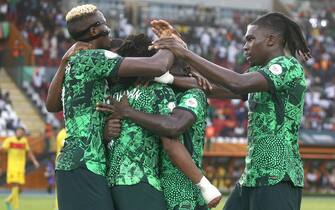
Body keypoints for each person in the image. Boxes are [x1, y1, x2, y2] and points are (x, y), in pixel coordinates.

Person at [151, 12, 311, 210]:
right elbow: (214, 87)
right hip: (252, 176)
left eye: (251, 39)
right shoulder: (258, 72)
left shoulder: (288, 66)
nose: (245, 46)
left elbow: (237, 83)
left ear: (271, 40)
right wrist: (168, 76)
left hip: (278, 175)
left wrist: (186, 54)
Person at [45, 4, 174, 210]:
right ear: (95, 30)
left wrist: (63, 62)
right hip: (84, 164)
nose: (110, 30)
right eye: (106, 24)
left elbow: (52, 105)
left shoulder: (76, 60)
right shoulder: (95, 58)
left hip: (79, 163)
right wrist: (169, 43)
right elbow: (157, 66)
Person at [96, 33, 222, 210]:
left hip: (168, 187)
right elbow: (170, 136)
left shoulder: (116, 93)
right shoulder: (156, 92)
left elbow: (173, 127)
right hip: (161, 185)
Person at [1, 127, 39, 210]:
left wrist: (35, 161)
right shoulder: (10, 140)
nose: (19, 133)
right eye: (18, 132)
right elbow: (2, 149)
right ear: (15, 132)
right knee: (16, 186)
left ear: (23, 133)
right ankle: (16, 207)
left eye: (21, 132)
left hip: (21, 167)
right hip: (12, 167)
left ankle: (8, 200)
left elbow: (29, 152)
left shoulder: (24, 141)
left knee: (19, 188)